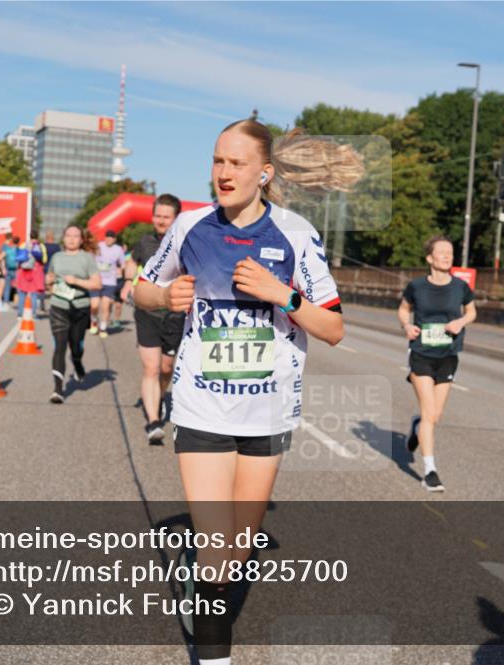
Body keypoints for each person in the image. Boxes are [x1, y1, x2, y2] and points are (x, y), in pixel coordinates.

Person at [135, 119, 355, 665]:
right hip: (201, 402)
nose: (224, 173)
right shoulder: (189, 228)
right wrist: (166, 300)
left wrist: (282, 294)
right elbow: (141, 287)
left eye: (236, 163)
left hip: (268, 411)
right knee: (214, 550)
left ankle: (203, 590)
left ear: (265, 173)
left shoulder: (297, 234)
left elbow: (332, 328)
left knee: (235, 555)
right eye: (217, 161)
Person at [398, 235, 477, 492]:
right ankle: (430, 471)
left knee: (434, 416)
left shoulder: (460, 288)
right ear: (430, 258)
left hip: (448, 355)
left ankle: (416, 424)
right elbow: (403, 309)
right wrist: (407, 325)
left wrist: (460, 323)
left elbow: (472, 312)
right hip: (421, 353)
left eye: (450, 253)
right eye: (441, 252)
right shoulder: (417, 286)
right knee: (429, 413)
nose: (447, 256)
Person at [121, 193, 185, 443]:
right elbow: (131, 263)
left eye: (166, 216)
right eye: (157, 215)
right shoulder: (145, 242)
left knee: (166, 368)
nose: (160, 220)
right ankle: (153, 420)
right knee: (151, 367)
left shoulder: (185, 242)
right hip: (147, 311)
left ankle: (158, 398)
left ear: (176, 218)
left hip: (175, 315)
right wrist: (128, 281)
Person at [45, 225, 101, 404]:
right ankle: (58, 389)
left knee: (76, 346)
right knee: (60, 345)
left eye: (75, 236)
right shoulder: (56, 257)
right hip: (59, 306)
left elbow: (97, 284)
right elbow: (49, 280)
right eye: (68, 235)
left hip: (80, 307)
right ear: (63, 238)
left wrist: (76, 280)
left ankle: (77, 362)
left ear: (81, 240)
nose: (71, 239)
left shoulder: (87, 259)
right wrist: (49, 281)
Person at [88, 230, 124, 338]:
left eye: (111, 237)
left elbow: (123, 263)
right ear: (104, 238)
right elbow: (89, 258)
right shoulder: (98, 246)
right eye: (107, 237)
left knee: (105, 305)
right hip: (96, 280)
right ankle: (94, 321)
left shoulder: (118, 249)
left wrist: (120, 269)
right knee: (94, 305)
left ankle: (103, 328)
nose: (109, 239)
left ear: (115, 239)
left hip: (110, 281)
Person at [14, 231, 46, 317]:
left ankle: (20, 313)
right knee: (34, 294)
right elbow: (44, 259)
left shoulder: (24, 244)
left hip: (23, 271)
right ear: (37, 236)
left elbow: (18, 257)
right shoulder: (40, 246)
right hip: (35, 271)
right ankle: (33, 314)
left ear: (30, 236)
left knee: (22, 293)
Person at [40, 230, 61, 315]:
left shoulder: (43, 246)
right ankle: (53, 307)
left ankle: (42, 306)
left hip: (44, 269)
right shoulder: (57, 247)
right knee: (53, 289)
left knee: (42, 289)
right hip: (54, 269)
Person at [0, 234, 19, 312]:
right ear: (10, 239)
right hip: (7, 269)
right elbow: (2, 259)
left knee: (6, 287)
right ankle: (0, 303)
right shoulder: (6, 247)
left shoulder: (4, 246)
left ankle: (4, 303)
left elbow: (0, 258)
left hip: (6, 269)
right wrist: (3, 268)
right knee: (3, 286)